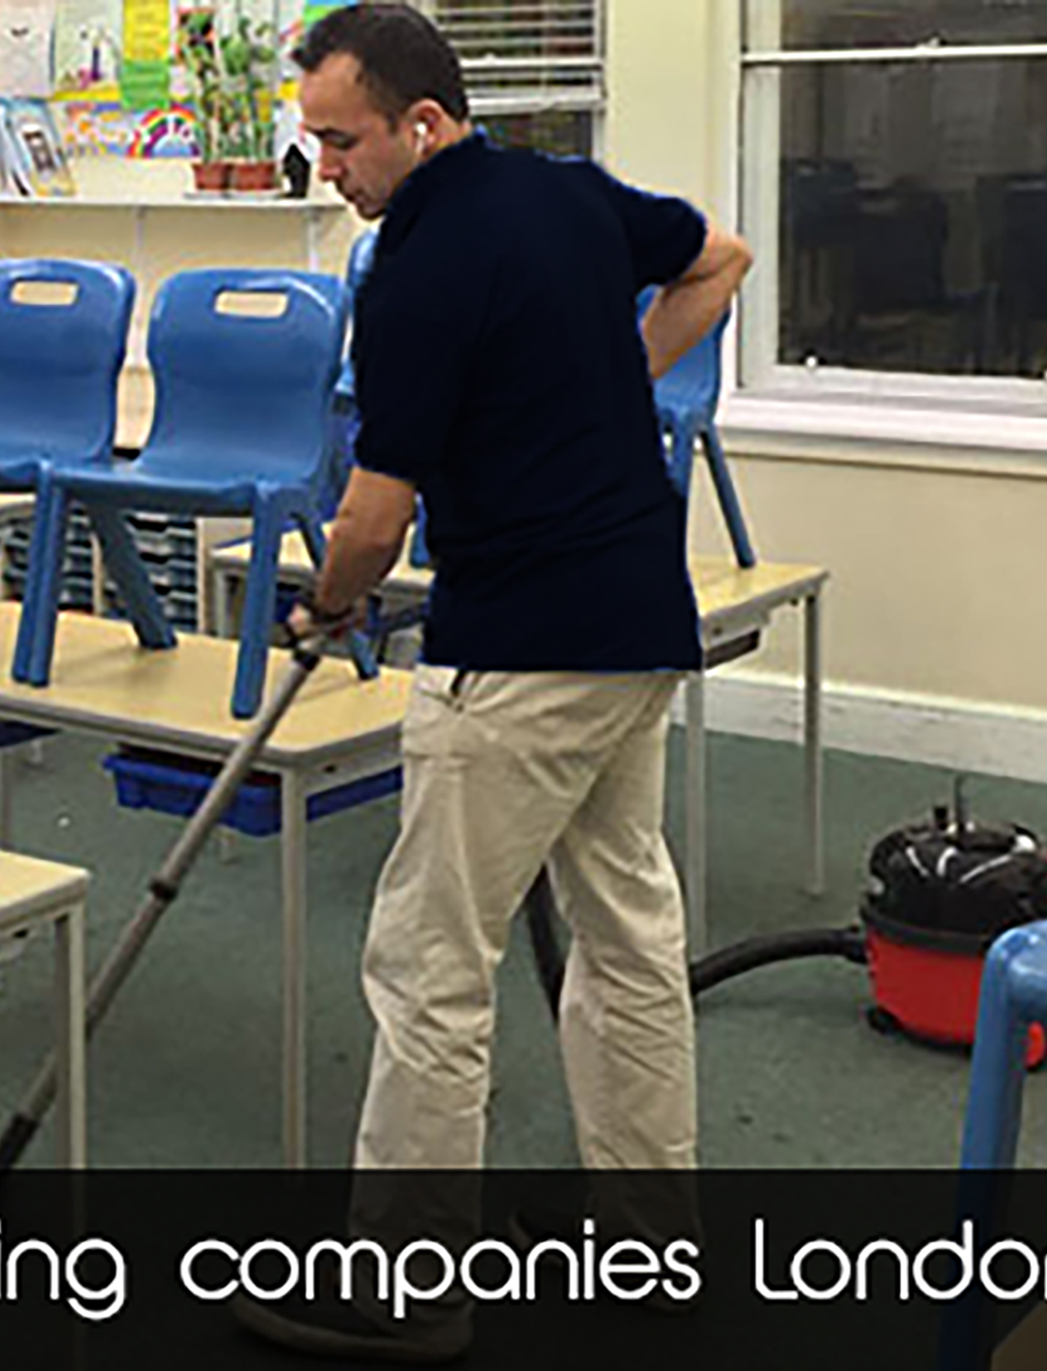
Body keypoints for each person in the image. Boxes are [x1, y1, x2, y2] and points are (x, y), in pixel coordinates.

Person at [231, 4, 754, 1362]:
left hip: (519, 651)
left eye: (341, 143)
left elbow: (372, 517)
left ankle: (404, 1284)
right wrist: (600, 382)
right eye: (313, 145)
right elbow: (721, 259)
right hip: (641, 620)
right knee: (628, 928)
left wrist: (326, 609)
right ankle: (654, 1240)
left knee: (426, 959)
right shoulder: (567, 191)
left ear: (420, 121)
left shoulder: (414, 270)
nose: (328, 170)